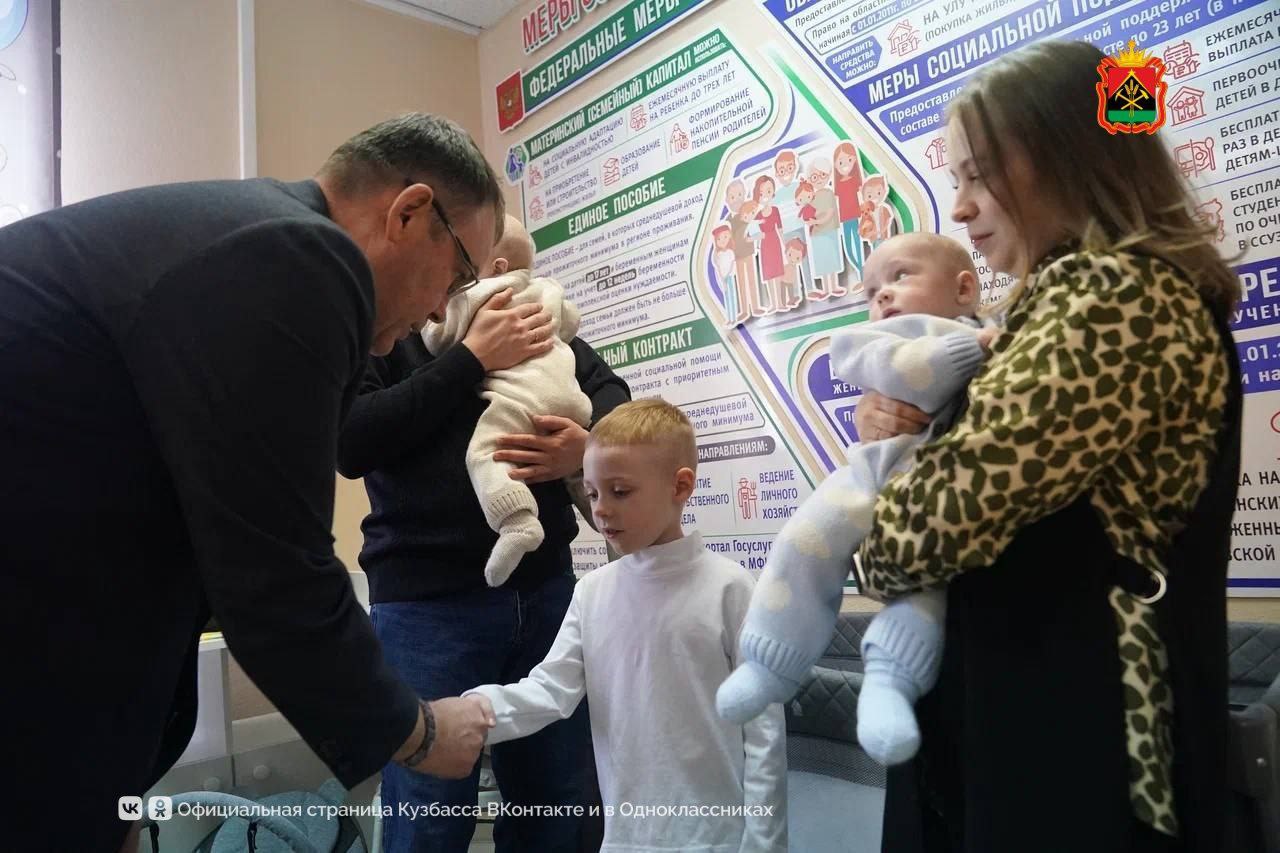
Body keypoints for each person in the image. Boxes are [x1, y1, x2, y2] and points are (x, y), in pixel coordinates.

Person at [0, 112, 502, 851]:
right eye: (457, 275)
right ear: (408, 213)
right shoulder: (300, 256)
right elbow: (276, 577)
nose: (439, 310)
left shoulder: (244, 241)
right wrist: (420, 732)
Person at [853, 40, 1241, 853]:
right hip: (1045, 722)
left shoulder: (1113, 294)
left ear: (1070, 153)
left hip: (1076, 741)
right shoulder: (1087, 299)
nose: (960, 209)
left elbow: (934, 523)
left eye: (979, 174)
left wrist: (869, 531)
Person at [337, 215, 629, 853]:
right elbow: (352, 440)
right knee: (429, 817)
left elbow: (613, 396)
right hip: (426, 607)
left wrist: (588, 448)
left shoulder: (535, 320)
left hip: (547, 591)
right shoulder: (394, 328)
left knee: (557, 805)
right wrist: (471, 359)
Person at [717, 234, 993, 768]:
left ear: (964, 290)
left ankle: (891, 681)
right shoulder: (870, 340)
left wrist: (980, 344)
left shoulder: (996, 335)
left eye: (901, 276)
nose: (882, 295)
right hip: (868, 477)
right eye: (871, 290)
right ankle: (771, 660)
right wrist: (971, 349)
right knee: (804, 542)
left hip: (937, 497)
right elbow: (912, 373)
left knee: (923, 592)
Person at [462, 399, 788, 853]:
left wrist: (766, 840)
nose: (601, 510)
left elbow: (764, 728)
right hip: (625, 838)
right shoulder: (592, 592)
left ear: (680, 486)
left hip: (717, 839)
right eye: (592, 493)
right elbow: (550, 690)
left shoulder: (730, 588)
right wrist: (471, 713)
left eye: (620, 491)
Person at [420, 235, 592, 587]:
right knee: (580, 474)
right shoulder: (547, 290)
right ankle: (617, 524)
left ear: (496, 266)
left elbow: (438, 337)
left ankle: (517, 521)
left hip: (520, 401)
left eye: (466, 265)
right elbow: (571, 323)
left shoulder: (477, 295)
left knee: (485, 454)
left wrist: (438, 330)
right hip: (571, 401)